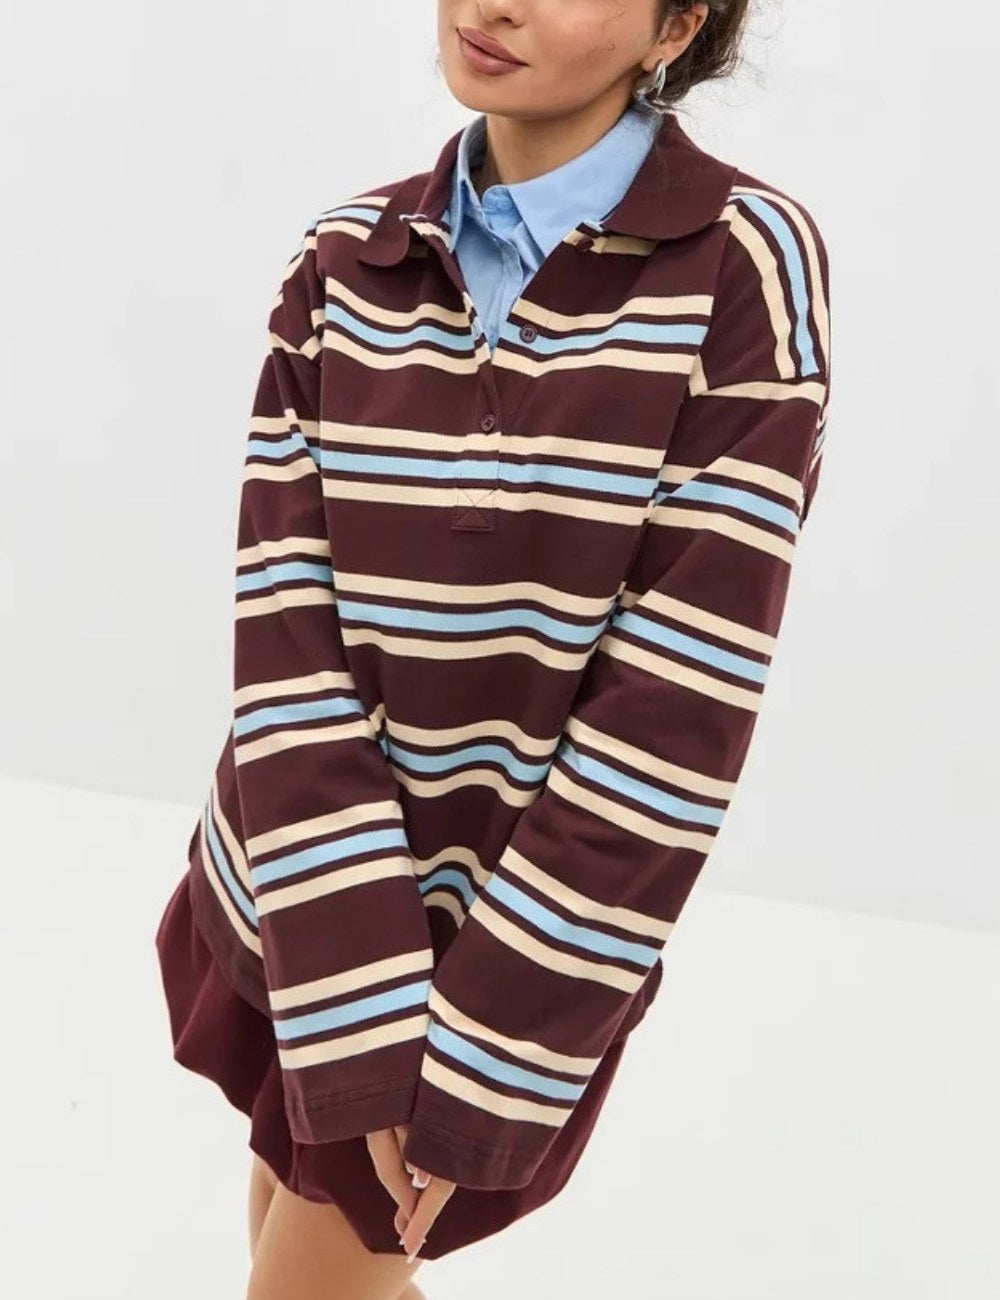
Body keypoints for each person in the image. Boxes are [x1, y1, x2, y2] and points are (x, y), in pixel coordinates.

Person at [153, 2, 832, 1297]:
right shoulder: (346, 257)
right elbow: (287, 644)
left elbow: (677, 706)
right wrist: (350, 1000)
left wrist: (484, 1049)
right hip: (296, 887)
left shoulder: (743, 266)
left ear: (675, 24)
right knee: (295, 1224)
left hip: (506, 960)